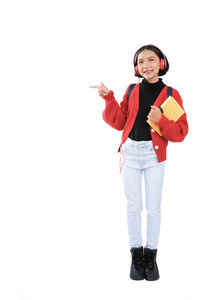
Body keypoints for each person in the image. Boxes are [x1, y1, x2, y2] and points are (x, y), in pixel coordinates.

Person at [89, 44, 189, 281]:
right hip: (130, 153)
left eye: (151, 60)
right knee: (133, 207)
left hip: (155, 157)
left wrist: (161, 120)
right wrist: (109, 98)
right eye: (141, 61)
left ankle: (151, 257)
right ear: (136, 67)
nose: (146, 65)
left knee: (153, 208)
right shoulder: (132, 89)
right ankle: (136, 256)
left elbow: (180, 133)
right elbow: (119, 121)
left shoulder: (172, 95)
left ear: (161, 63)